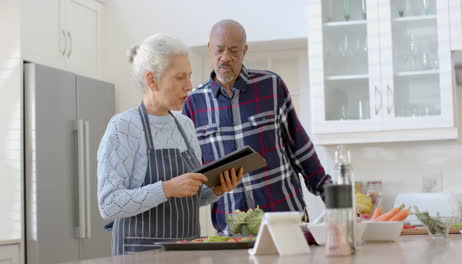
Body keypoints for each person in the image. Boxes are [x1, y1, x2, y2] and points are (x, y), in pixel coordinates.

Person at [97, 33, 243, 255]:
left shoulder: (185, 125)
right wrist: (166, 189)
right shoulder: (123, 127)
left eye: (190, 76)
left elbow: (191, 196)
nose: (189, 86)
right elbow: (109, 204)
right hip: (139, 255)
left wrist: (216, 189)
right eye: (180, 77)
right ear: (151, 80)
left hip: (185, 253)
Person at [182, 19, 332, 233]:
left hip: (286, 220)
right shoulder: (192, 103)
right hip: (233, 230)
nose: (225, 57)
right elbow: (191, 173)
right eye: (219, 50)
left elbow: (300, 147)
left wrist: (332, 195)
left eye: (234, 50)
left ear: (244, 50)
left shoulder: (270, 85)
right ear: (209, 49)